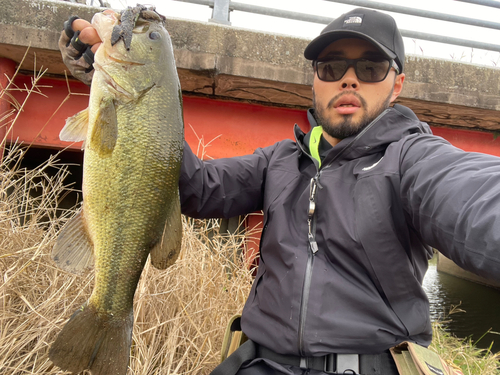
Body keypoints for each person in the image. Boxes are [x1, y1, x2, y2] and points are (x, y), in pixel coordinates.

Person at [59, 6, 500, 375]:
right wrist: (127, 102)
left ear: (396, 83)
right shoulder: (279, 161)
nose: (349, 79)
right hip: (260, 364)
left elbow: (476, 199)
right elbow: (194, 187)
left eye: (370, 67)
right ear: (315, 80)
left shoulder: (414, 161)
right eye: (332, 67)